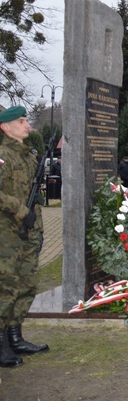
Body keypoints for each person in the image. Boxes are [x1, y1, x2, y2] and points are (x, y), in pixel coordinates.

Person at [0, 106, 49, 367]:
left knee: (27, 284)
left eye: (26, 121)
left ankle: (15, 336)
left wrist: (38, 227)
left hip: (30, 231)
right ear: (5, 127)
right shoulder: (2, 156)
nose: (26, 125)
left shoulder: (28, 157)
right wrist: (21, 211)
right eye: (20, 121)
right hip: (7, 234)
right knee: (6, 287)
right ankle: (1, 344)